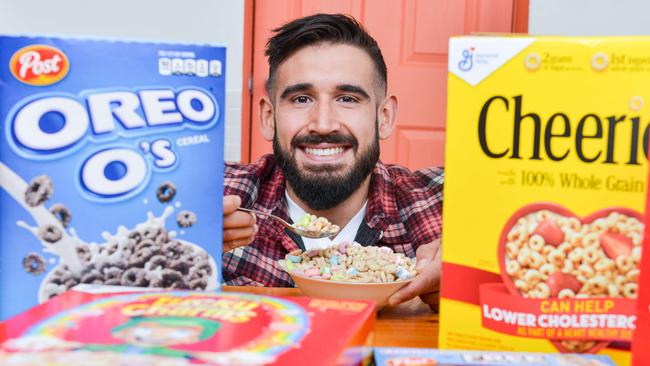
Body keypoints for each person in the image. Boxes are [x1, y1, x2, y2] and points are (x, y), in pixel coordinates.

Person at [222, 13, 443, 308]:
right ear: (268, 117)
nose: (323, 124)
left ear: (384, 117)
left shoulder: (443, 204)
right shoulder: (219, 196)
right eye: (301, 98)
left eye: (347, 99)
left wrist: (476, 267)